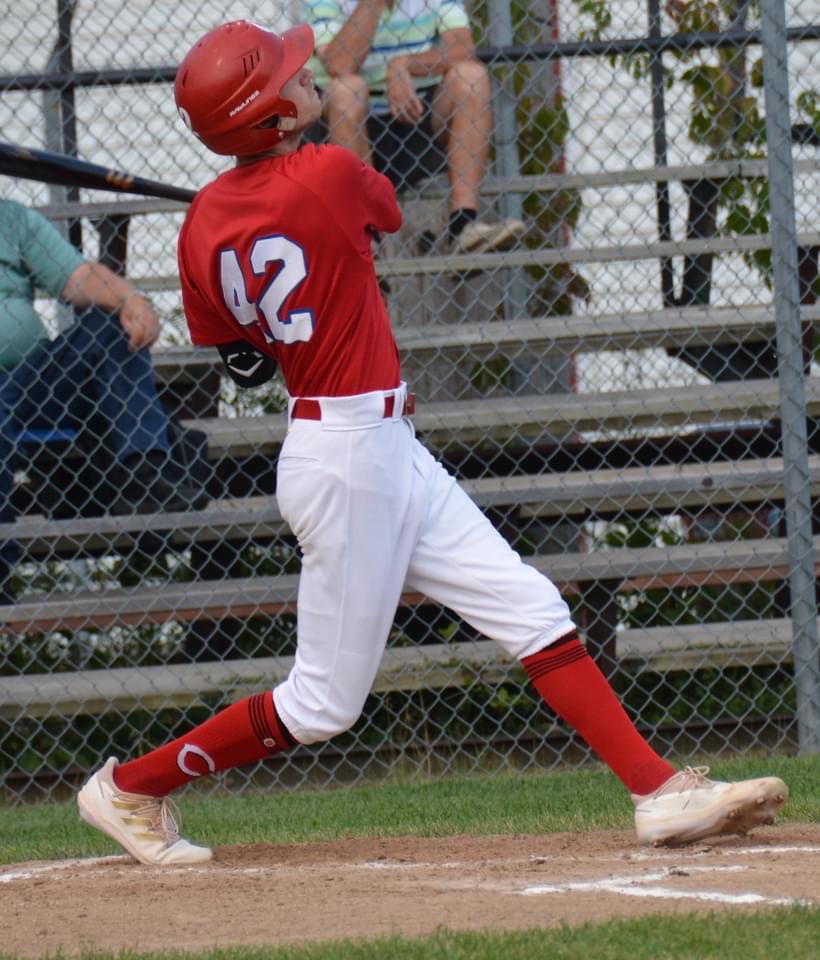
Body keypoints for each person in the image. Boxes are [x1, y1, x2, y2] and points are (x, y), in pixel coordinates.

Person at [77, 20, 788, 866]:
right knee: (321, 705)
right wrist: (293, 219)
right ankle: (132, 787)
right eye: (289, 77)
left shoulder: (202, 225)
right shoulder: (331, 172)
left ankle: (658, 792)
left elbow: (244, 363)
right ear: (268, 115)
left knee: (530, 608)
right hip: (349, 459)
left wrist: (247, 219)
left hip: (378, 447)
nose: (306, 73)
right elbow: (382, 209)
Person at [0, 199, 208, 602]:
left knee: (110, 326)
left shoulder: (10, 217)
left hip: (33, 379)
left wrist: (132, 300)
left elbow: (77, 275)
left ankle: (144, 471)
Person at [302, 0, 525, 254]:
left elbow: (463, 49)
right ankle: (365, 238)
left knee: (471, 75)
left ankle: (463, 224)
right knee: (346, 89)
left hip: (417, 110)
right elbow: (339, 64)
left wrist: (404, 65)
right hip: (349, 126)